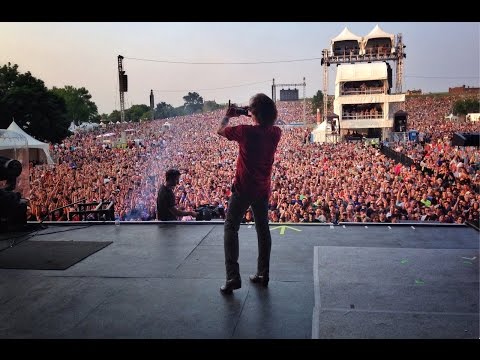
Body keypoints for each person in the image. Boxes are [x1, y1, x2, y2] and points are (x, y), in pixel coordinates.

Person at [217, 93, 282, 294]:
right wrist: (248, 112)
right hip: (262, 189)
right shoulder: (276, 132)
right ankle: (263, 274)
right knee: (263, 230)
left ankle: (232, 277)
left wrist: (229, 116)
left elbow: (220, 131)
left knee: (231, 228)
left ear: (253, 113)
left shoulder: (245, 132)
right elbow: (262, 121)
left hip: (243, 189)